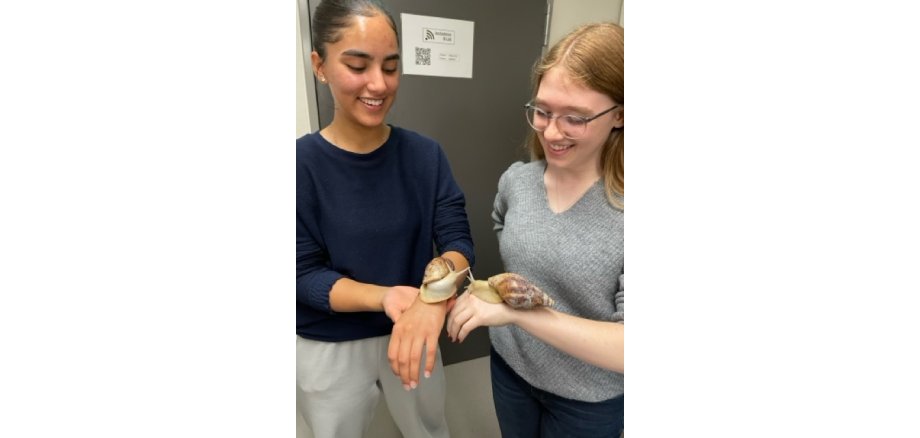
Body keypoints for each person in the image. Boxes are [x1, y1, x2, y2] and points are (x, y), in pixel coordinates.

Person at [296, 1, 474, 437]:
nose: (378, 83)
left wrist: (431, 300)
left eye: (391, 67)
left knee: (429, 428)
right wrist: (387, 297)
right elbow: (301, 275)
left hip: (416, 323)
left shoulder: (425, 155)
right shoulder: (298, 164)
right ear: (319, 65)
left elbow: (458, 243)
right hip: (329, 338)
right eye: (358, 65)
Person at [446, 22, 625, 437]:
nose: (550, 131)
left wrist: (517, 314)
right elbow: (503, 227)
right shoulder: (517, 182)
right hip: (511, 369)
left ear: (620, 114)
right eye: (542, 110)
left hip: (589, 399)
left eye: (575, 118)